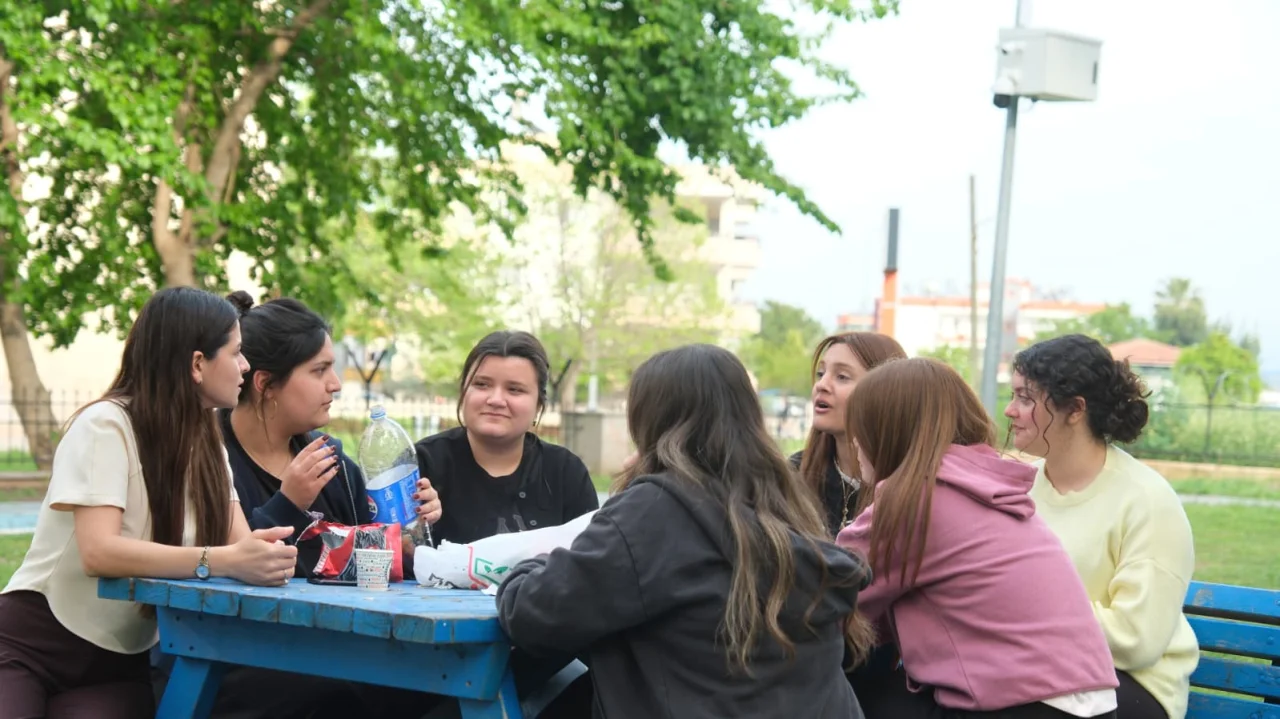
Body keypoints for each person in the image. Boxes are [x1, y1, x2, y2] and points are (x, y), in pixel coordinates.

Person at [496, 344, 871, 719]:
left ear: (650, 418)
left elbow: (536, 614)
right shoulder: (787, 502)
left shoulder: (656, 510)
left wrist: (529, 567)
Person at [0, 287, 298, 719]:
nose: (245, 366)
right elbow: (99, 551)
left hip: (118, 664)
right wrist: (224, 560)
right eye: (235, 353)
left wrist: (261, 555)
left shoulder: (209, 446)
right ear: (198, 364)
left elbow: (239, 547)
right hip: (32, 645)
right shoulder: (105, 425)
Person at [199, 291, 441, 719]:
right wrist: (288, 502)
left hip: (331, 649)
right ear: (265, 384)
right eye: (319, 370)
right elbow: (223, 569)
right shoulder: (207, 456)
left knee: (436, 683)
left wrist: (409, 531)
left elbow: (374, 559)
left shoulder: (332, 461)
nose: (336, 384)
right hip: (237, 658)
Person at [837, 357, 1120, 719]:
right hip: (1091, 703)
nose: (856, 441)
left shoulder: (915, 497)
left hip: (1016, 705)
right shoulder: (984, 484)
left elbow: (827, 590)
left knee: (852, 699)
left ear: (885, 431)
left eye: (859, 427)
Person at [1009, 335, 1198, 719]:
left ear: (1075, 409)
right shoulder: (1020, 487)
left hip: (1133, 686)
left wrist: (1021, 614)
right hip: (1041, 671)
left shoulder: (1146, 500)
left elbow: (1136, 640)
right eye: (1012, 396)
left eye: (1026, 398)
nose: (1011, 411)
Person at [414, 330, 597, 545]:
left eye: (515, 389)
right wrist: (412, 533)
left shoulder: (565, 473)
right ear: (463, 391)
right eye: (482, 384)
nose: (496, 399)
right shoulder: (422, 464)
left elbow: (591, 561)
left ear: (539, 405)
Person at [790, 332, 907, 535]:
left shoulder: (912, 485)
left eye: (842, 376)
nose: (822, 385)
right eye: (821, 374)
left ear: (884, 391)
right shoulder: (794, 474)